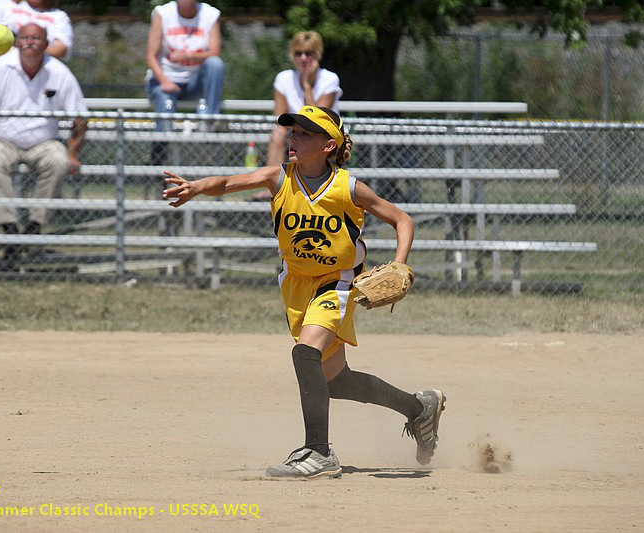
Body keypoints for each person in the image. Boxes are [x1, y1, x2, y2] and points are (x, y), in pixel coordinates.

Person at [162, 106, 446, 479]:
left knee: (305, 352)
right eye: (293, 132)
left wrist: (399, 263)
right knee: (334, 379)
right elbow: (230, 182)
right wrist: (197, 187)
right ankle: (418, 408)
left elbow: (401, 219)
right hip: (296, 286)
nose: (294, 139)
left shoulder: (347, 187)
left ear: (329, 145)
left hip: (338, 282)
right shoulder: (279, 178)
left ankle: (318, 452)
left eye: (305, 134)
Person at [0, 23, 88, 271]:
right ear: (16, 42)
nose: (30, 42)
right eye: (25, 37)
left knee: (59, 162)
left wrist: (72, 153)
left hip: (44, 141)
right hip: (2, 138)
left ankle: (34, 227)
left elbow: (80, 117)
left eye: (36, 38)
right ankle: (11, 231)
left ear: (46, 44)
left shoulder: (59, 72)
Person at [145, 0, 225, 135]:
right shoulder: (163, 13)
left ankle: (210, 120)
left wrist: (189, 56)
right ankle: (160, 152)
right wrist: (164, 81)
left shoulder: (209, 14)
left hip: (194, 81)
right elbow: (150, 56)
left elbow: (215, 53)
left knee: (215, 64)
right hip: (166, 80)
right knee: (165, 103)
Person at [266, 31, 342, 167]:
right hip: (295, 131)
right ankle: (273, 184)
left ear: (318, 54)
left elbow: (318, 121)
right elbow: (280, 117)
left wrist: (307, 86)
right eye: (298, 53)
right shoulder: (284, 78)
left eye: (308, 53)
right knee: (278, 133)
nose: (303, 58)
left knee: (314, 136)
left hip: (323, 135)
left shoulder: (330, 79)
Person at [0, 0, 74, 75]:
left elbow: (61, 49)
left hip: (35, 77)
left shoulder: (59, 16)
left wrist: (29, 48)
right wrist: (8, 38)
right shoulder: (3, 4)